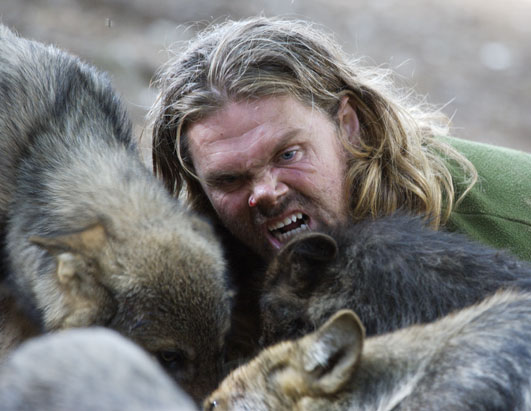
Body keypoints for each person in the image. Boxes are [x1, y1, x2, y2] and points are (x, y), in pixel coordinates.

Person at [150, 16, 531, 265]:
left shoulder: (507, 219)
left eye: (288, 154)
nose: (266, 192)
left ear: (348, 124)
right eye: (230, 179)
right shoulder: (213, 284)